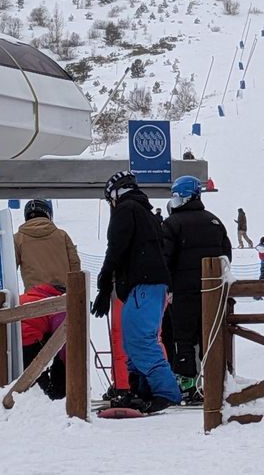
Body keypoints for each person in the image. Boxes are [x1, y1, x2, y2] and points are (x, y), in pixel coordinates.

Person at [91, 171, 181, 413]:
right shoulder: (147, 214)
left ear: (115, 193)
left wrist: (104, 283)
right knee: (132, 342)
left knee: (140, 340)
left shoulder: (125, 210)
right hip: (150, 285)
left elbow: (116, 247)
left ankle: (166, 392)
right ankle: (140, 389)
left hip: (144, 285)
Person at [160, 175, 232, 403]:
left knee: (183, 338)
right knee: (209, 336)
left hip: (181, 292)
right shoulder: (215, 222)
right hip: (212, 292)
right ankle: (214, 381)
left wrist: (168, 285)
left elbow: (164, 258)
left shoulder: (171, 225)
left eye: (176, 196)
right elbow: (226, 256)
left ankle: (187, 384)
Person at [13, 199, 81, 289]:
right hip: (63, 293)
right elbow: (75, 264)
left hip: (35, 296)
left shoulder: (18, 239)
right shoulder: (62, 235)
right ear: (48, 215)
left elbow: (10, 268)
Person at [20, 282, 67, 399]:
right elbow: (61, 340)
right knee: (38, 377)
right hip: (29, 338)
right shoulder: (59, 304)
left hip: (8, 337)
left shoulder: (27, 296)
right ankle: (50, 398)